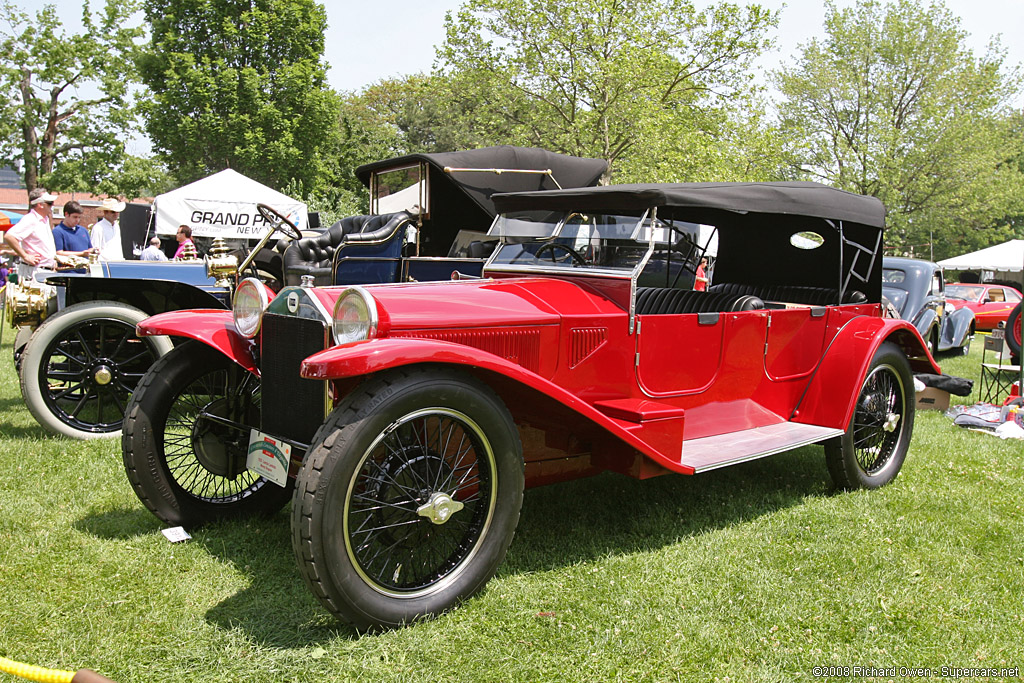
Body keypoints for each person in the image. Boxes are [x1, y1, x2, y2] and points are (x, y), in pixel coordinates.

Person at [3, 188, 58, 279]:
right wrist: (25, 256)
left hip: (44, 271)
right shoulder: (31, 219)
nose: (52, 205)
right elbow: (10, 236)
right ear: (40, 204)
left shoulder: (45, 220)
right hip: (34, 271)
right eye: (49, 203)